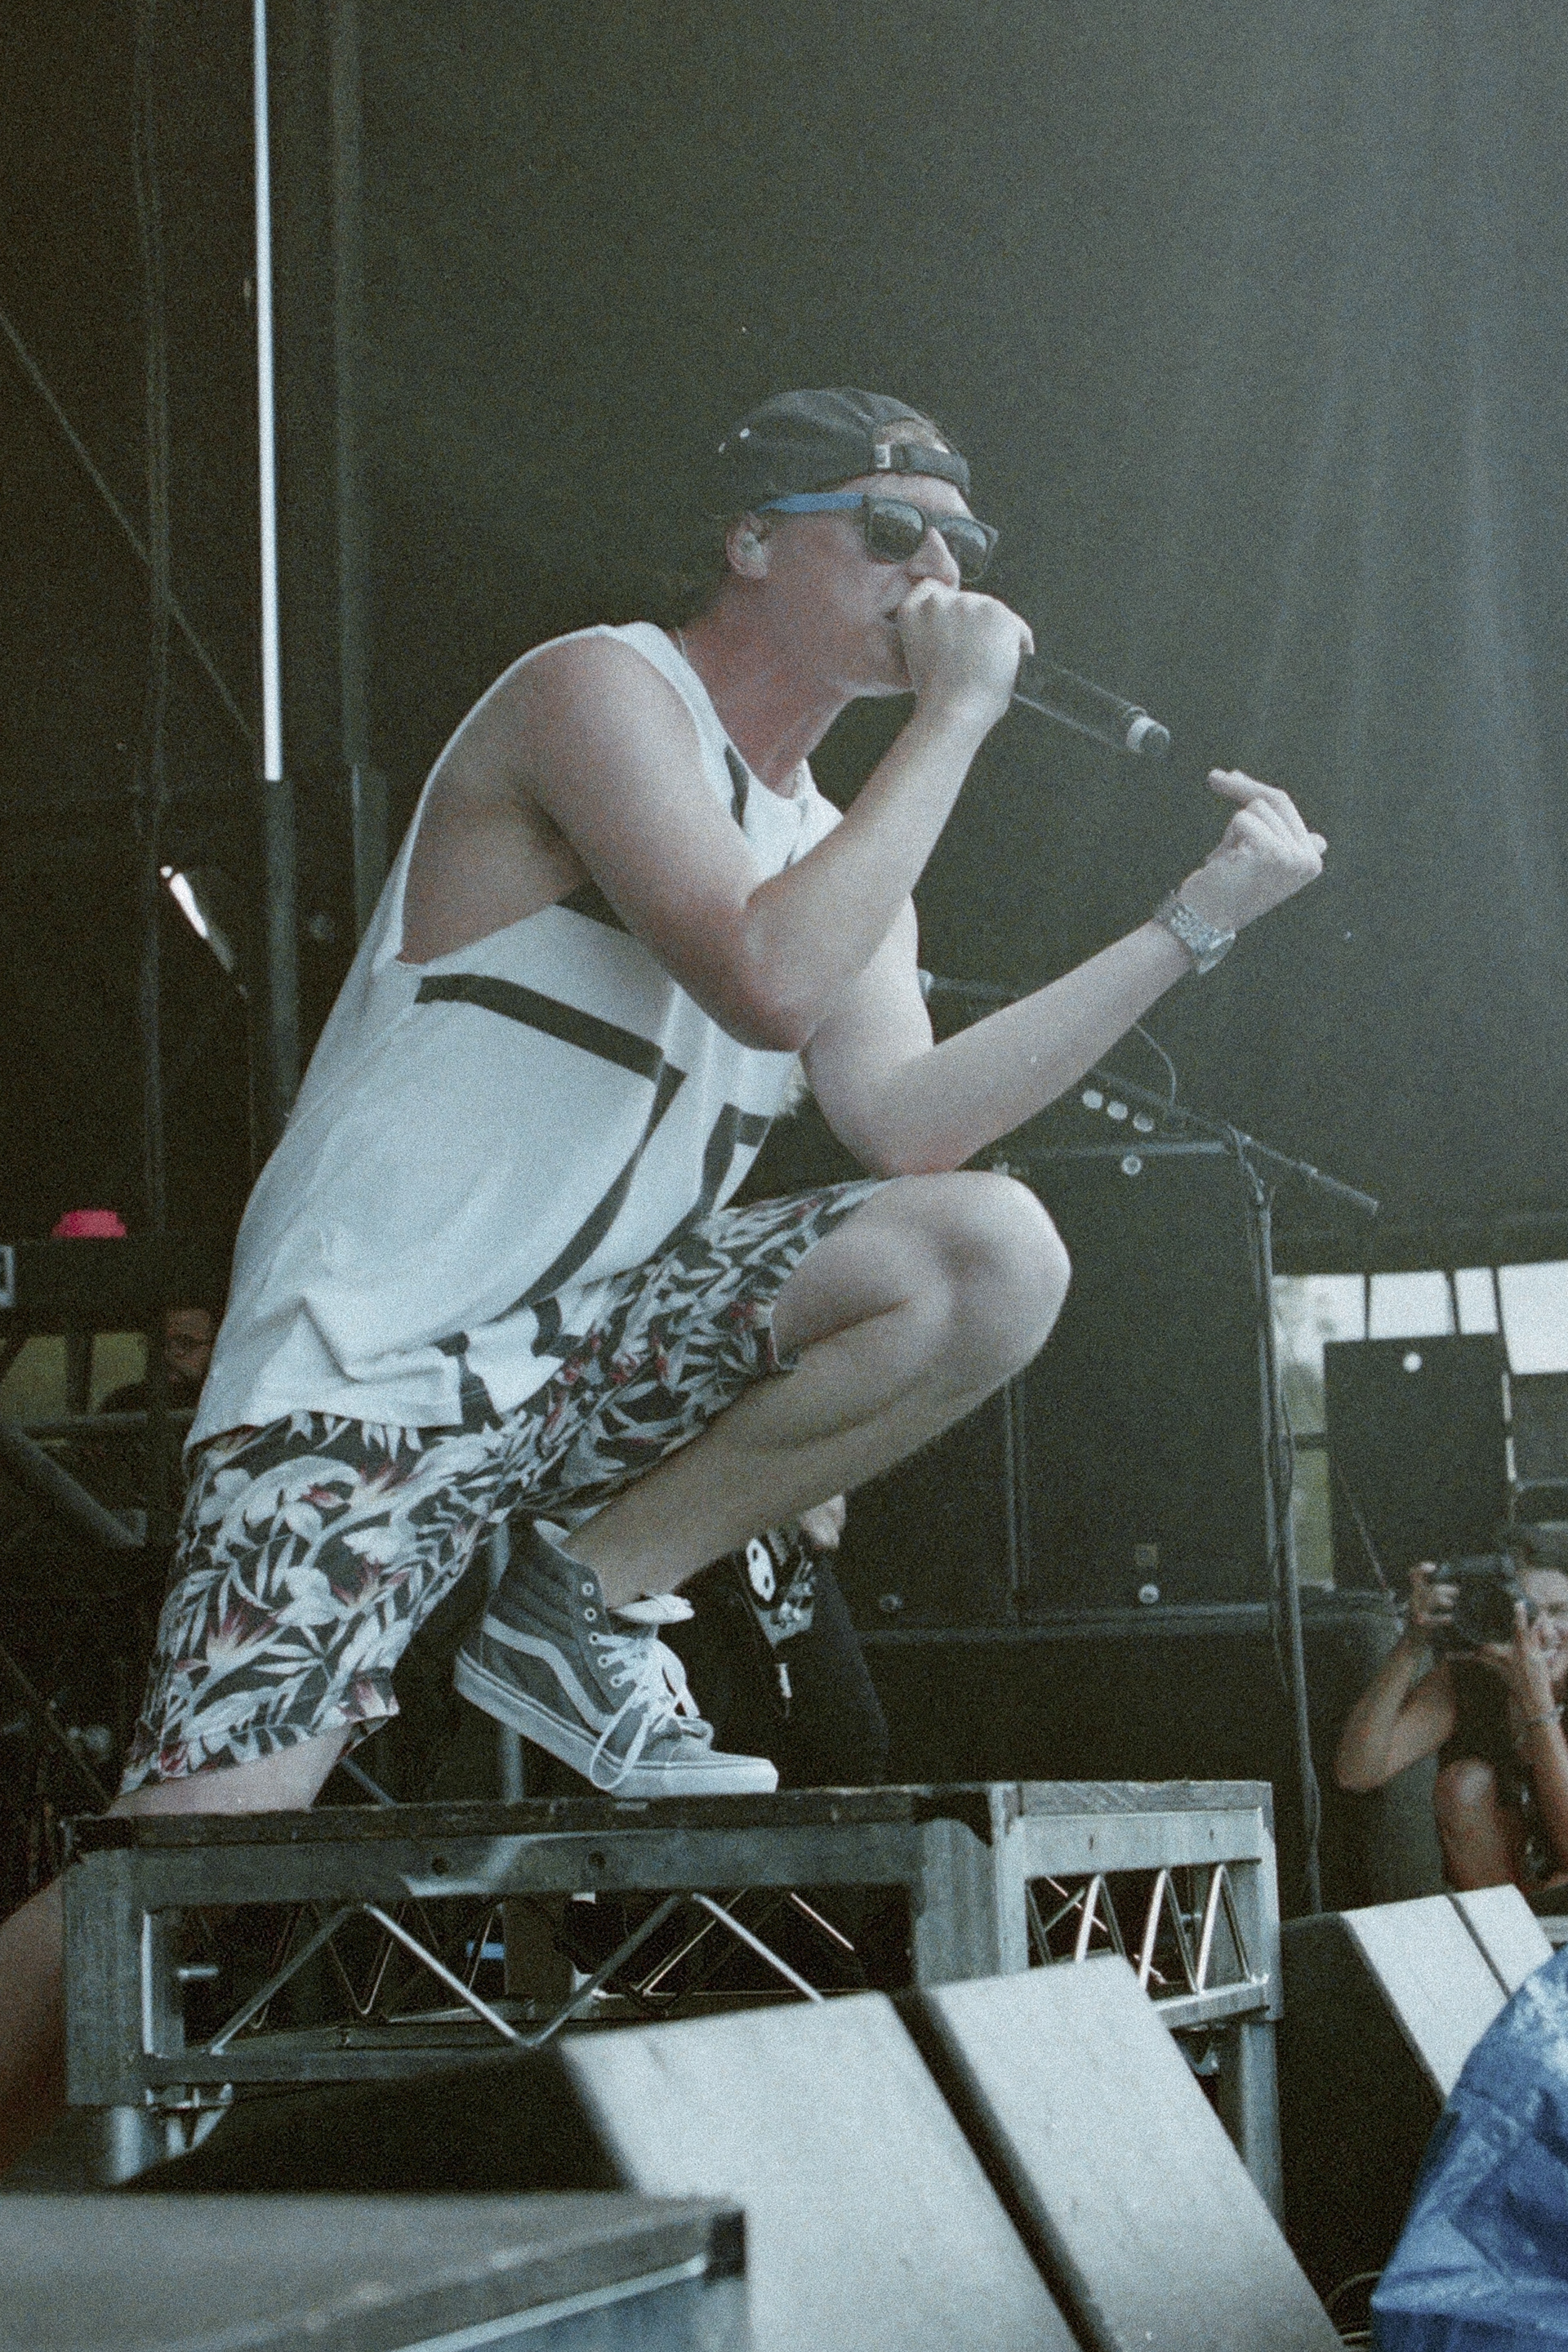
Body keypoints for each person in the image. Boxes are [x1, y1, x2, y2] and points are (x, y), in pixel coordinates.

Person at [0, 385, 1324, 2167]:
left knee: (989, 1248)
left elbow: (911, 1126)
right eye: (892, 532)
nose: (937, 574)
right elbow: (766, 981)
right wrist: (960, 717)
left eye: (964, 547)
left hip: (582, 1363)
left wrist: (1197, 921)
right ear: (751, 538)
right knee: (189, 1856)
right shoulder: (596, 692)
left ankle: (587, 1596)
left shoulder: (841, 856)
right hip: (376, 1372)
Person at [1332, 1529, 1568, 1891]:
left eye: (1560, 1611)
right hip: (1517, 1894)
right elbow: (1357, 1770)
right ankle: (1503, 1926)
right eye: (1527, 1612)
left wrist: (1537, 1702)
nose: (1546, 1632)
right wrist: (1414, 1640)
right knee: (1465, 1785)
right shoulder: (1472, 1678)